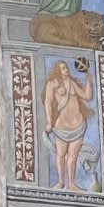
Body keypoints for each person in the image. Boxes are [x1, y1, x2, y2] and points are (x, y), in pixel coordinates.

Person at [43, 57, 94, 190]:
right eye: (63, 68)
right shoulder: (52, 84)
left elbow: (87, 96)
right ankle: (60, 182)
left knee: (73, 156)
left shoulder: (71, 83)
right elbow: (48, 103)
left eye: (66, 67)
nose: (66, 70)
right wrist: (49, 121)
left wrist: (88, 81)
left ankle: (71, 184)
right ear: (57, 70)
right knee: (60, 154)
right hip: (62, 127)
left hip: (78, 125)